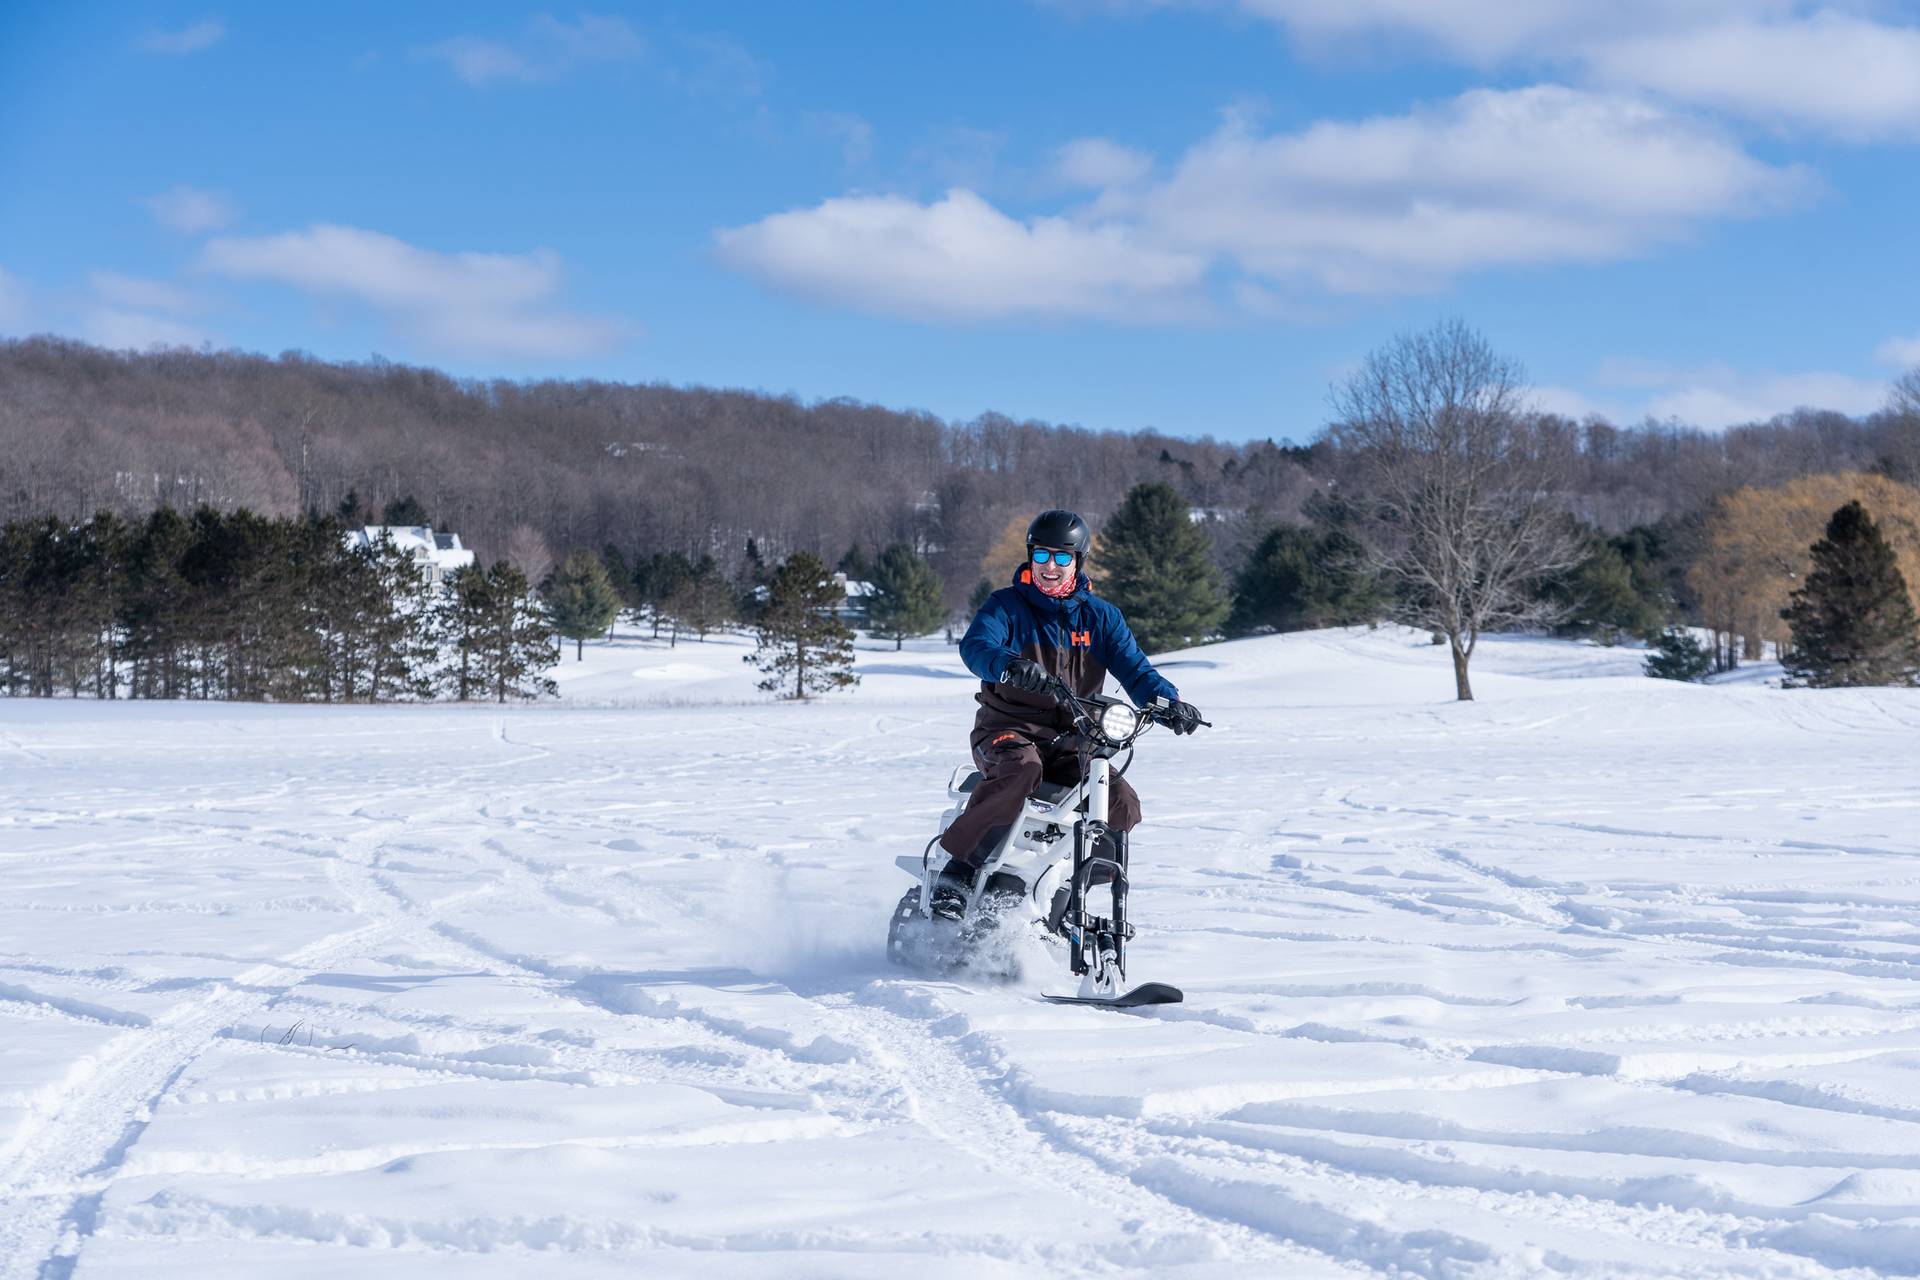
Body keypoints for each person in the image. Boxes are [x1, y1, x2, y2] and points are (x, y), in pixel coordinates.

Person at [937, 508, 1203, 911]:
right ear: (1031, 557)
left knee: (1121, 803)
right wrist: (1009, 665)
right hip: (1008, 730)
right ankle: (959, 870)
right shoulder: (1006, 606)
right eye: (1042, 555)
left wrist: (1170, 703)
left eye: (1062, 557)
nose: (1051, 566)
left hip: (1074, 740)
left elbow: (1137, 671)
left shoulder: (1101, 618)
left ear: (1078, 561)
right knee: (1021, 769)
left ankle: (1072, 893)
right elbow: (976, 647)